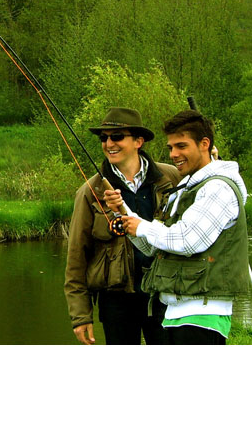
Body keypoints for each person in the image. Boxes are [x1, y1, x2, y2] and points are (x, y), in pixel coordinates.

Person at [104, 110, 249, 345]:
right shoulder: (186, 187)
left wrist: (141, 226)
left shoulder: (218, 189)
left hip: (202, 316)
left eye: (181, 146)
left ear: (205, 144)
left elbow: (187, 241)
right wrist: (124, 212)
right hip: (175, 313)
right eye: (171, 148)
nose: (174, 154)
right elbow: (155, 247)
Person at [64, 107, 180, 345]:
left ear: (139, 141)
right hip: (116, 302)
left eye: (116, 136)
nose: (109, 143)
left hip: (166, 295)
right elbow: (76, 258)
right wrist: (80, 316)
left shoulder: (172, 177)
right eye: (103, 138)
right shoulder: (90, 192)